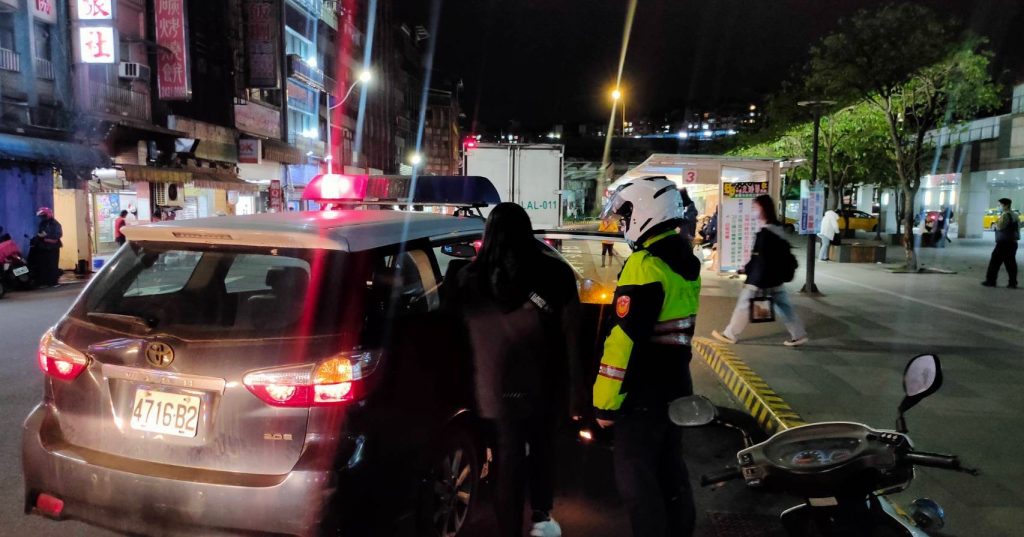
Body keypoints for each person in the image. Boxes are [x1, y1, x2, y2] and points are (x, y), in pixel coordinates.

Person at [447, 202, 581, 537]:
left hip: (490, 389)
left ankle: (508, 527)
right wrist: (577, 391)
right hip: (543, 385)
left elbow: (454, 336)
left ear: (488, 233)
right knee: (542, 447)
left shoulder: (466, 279)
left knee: (506, 456)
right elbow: (572, 336)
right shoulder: (556, 274)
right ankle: (540, 515)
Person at [593, 177, 701, 537]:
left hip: (642, 396)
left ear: (647, 212)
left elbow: (623, 342)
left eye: (626, 216)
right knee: (671, 473)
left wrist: (605, 404)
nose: (624, 224)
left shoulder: (644, 264)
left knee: (638, 484)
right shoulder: (685, 260)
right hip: (677, 386)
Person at [712, 194, 807, 347]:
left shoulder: (766, 234)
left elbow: (760, 258)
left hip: (760, 279)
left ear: (763, 209)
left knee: (744, 304)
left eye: (755, 207)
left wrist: (748, 271)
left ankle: (730, 334)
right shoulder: (777, 229)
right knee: (784, 306)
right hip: (775, 277)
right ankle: (799, 334)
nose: (753, 211)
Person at [982, 198, 1019, 289]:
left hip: (1004, 243)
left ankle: (991, 281)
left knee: (995, 261)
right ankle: (1012, 282)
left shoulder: (1006, 215)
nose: (998, 207)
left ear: (1006, 205)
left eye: (999, 205)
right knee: (1010, 263)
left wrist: (995, 224)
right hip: (1013, 242)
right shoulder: (1015, 215)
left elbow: (1000, 227)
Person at [32, 207, 63, 287]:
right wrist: (39, 237)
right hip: (44, 247)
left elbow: (58, 235)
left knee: (52, 265)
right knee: (44, 265)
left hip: (53, 248)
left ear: (48, 214)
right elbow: (40, 232)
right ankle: (44, 281)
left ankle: (53, 282)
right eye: (41, 216)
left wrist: (46, 237)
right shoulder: (42, 223)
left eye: (44, 216)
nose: (42, 218)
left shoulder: (55, 224)